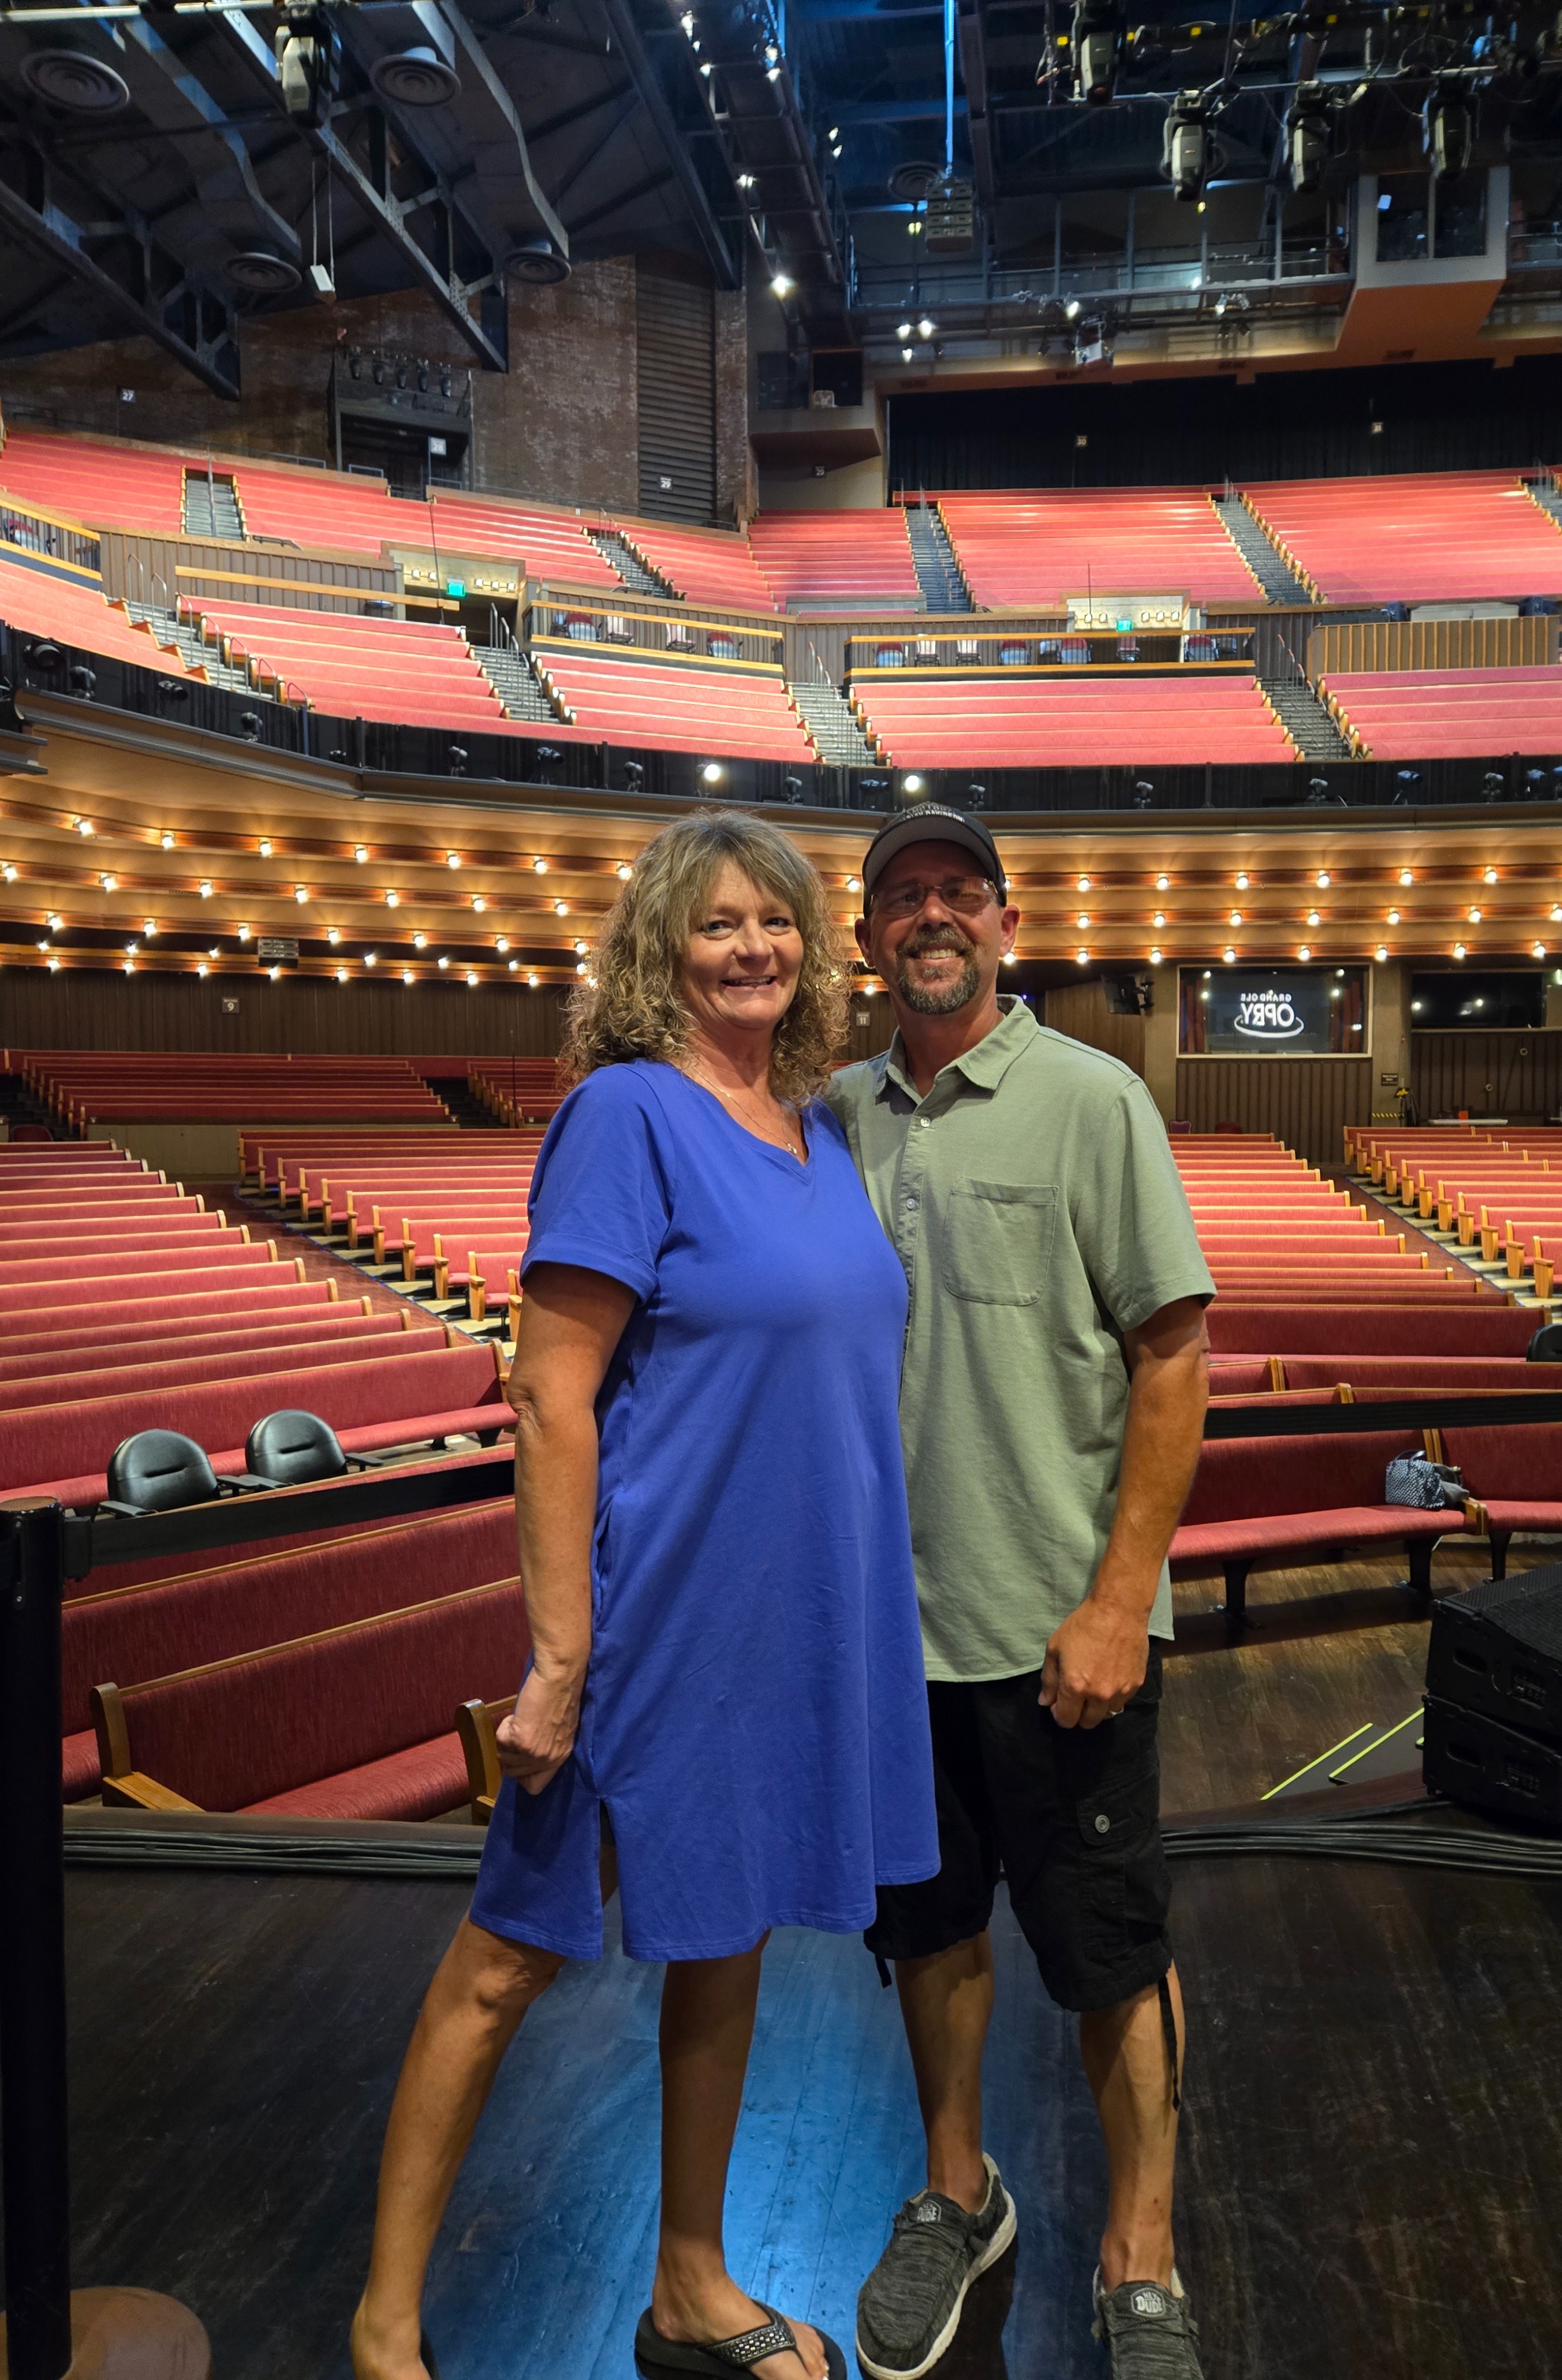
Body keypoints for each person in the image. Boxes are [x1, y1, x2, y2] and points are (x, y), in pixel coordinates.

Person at [351, 811, 939, 2380]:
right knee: (506, 1959)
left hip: (791, 1617)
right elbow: (550, 1395)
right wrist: (560, 1657)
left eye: (777, 919)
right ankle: (386, 2326)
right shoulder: (626, 1114)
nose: (753, 946)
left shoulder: (815, 1129)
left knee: (725, 1939)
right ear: (658, 952)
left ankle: (690, 2278)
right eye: (716, 922)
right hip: (657, 1616)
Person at [823, 804, 1215, 2380]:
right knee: (930, 1937)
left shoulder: (1093, 1098)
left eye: (958, 891)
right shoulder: (830, 1117)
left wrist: (1120, 1600)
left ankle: (1143, 2255)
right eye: (902, 896)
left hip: (1062, 1636)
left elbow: (1172, 1356)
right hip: (888, 1644)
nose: (932, 915)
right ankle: (956, 2193)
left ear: (1005, 921)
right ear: (868, 938)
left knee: (1112, 1954)